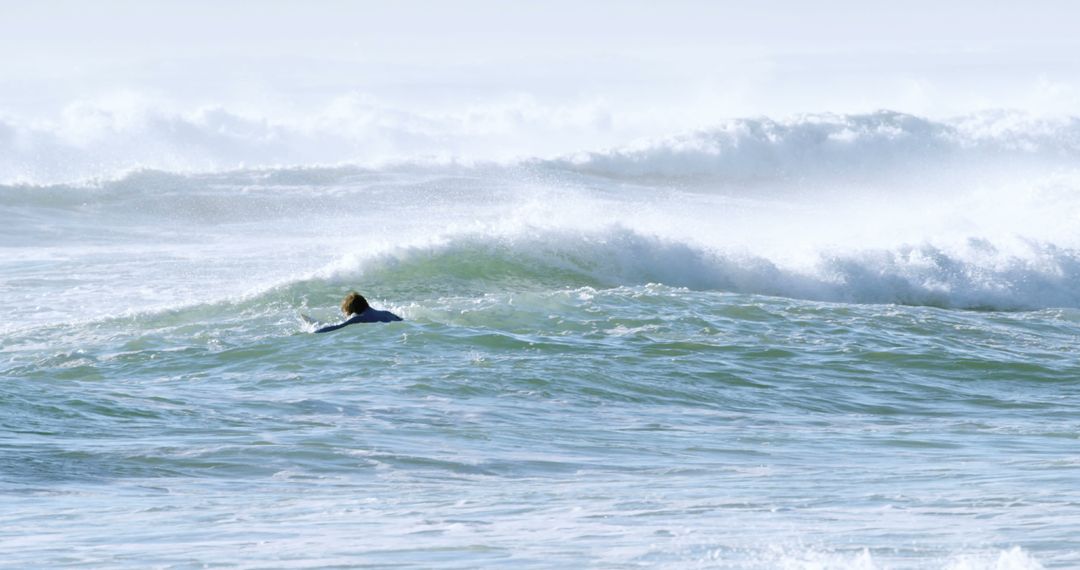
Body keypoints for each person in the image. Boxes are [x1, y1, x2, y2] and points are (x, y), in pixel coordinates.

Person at [314, 291, 402, 333]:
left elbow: (337, 327)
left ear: (351, 310)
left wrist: (315, 331)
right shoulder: (386, 313)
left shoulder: (359, 318)